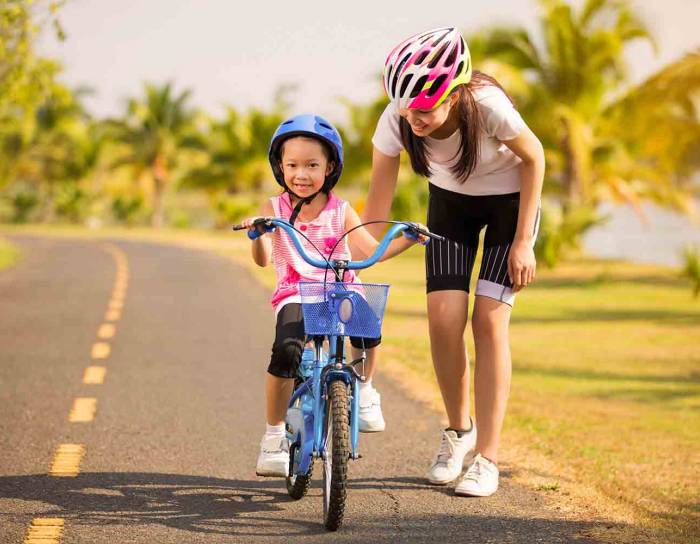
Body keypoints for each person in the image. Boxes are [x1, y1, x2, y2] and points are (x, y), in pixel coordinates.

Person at [363, 27, 544, 497]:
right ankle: (457, 432)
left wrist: (524, 240)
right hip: (450, 206)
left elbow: (535, 158)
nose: (413, 117)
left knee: (488, 321)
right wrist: (349, 253)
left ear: (454, 91)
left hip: (509, 207)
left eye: (424, 108)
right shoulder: (396, 119)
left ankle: (487, 458)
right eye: (406, 107)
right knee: (443, 321)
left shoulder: (486, 107)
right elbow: (374, 218)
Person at [240, 114, 428, 477]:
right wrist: (258, 235)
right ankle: (273, 436)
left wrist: (407, 239)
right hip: (295, 292)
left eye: (312, 165)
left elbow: (370, 251)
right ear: (280, 167)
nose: (302, 174)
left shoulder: (340, 211)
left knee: (368, 327)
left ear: (330, 167)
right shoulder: (274, 209)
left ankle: (367, 390)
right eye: (293, 165)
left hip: (340, 289)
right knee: (287, 350)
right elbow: (264, 259)